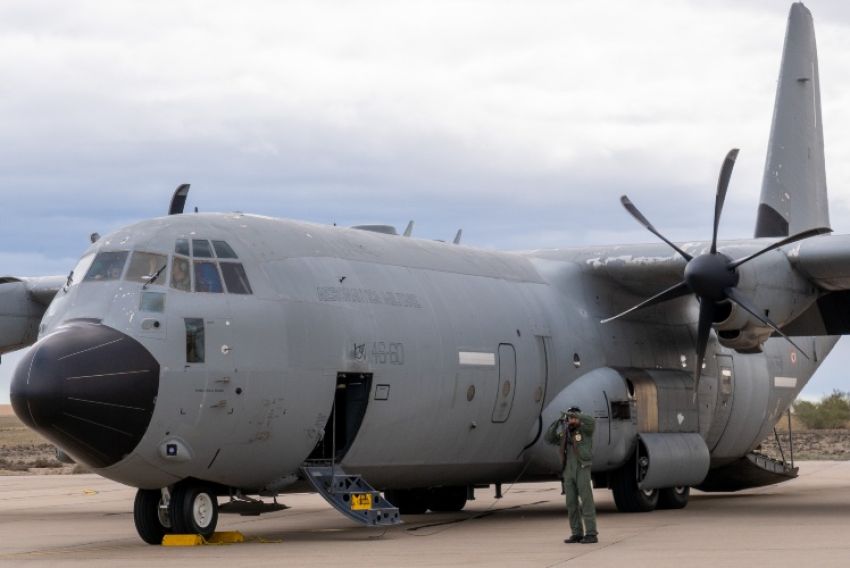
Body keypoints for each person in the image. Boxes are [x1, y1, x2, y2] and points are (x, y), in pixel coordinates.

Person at [545, 406, 598, 544]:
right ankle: (577, 533)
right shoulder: (565, 434)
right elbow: (549, 438)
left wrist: (575, 416)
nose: (571, 419)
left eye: (574, 417)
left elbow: (592, 421)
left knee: (586, 501)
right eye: (570, 418)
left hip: (582, 467)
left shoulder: (585, 430)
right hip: (568, 470)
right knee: (571, 503)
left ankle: (591, 533)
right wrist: (558, 421)